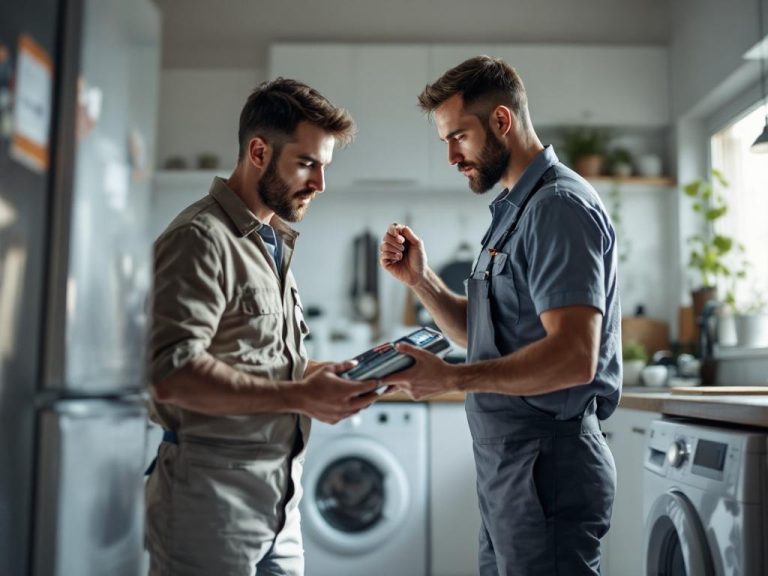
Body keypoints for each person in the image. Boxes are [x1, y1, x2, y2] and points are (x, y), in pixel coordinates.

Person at [379, 56, 620, 575]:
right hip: (510, 468)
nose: (450, 156)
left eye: (458, 136)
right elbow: (488, 334)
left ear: (502, 122)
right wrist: (422, 280)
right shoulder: (517, 209)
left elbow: (575, 357)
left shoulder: (557, 206)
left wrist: (450, 378)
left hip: (547, 466)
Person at [145, 78, 381, 576]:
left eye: (325, 167)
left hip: (279, 503)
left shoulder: (269, 243)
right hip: (208, 506)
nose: (320, 183)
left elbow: (257, 359)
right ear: (258, 151)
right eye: (307, 164)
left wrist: (325, 377)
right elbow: (171, 372)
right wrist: (299, 397)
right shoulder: (199, 238)